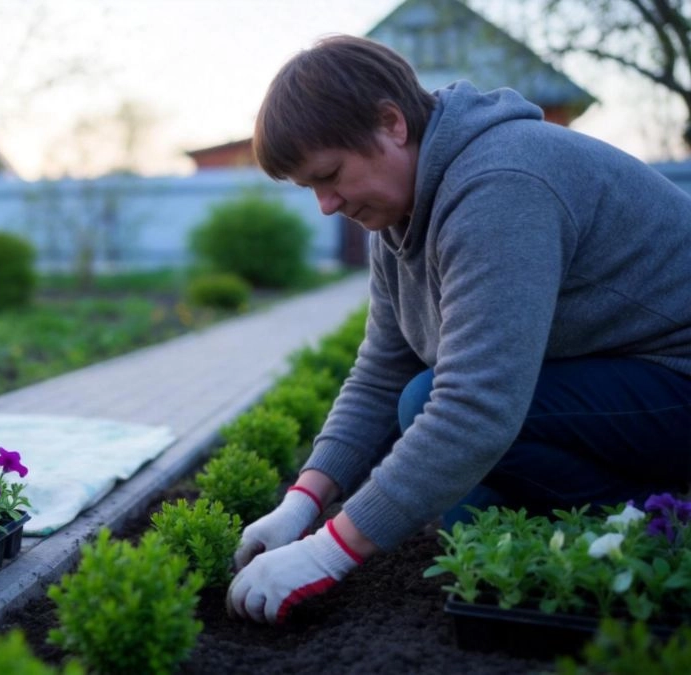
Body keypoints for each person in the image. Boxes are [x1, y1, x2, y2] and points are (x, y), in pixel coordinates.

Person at [227, 34, 691, 625]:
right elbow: (381, 371)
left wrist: (326, 552)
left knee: (432, 409)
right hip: (628, 383)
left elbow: (478, 406)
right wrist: (302, 503)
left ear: (391, 124)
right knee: (468, 524)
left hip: (677, 374)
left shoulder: (502, 183)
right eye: (310, 188)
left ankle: (657, 522)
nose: (325, 204)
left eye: (330, 175)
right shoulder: (398, 219)